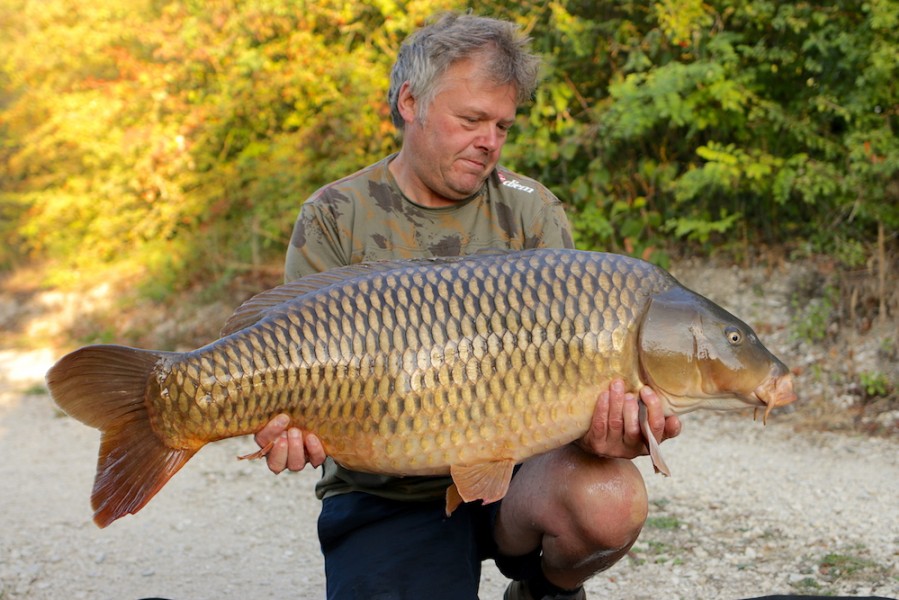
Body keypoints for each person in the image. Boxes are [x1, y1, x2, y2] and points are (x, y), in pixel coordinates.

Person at [253, 12, 681, 600]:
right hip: (388, 489)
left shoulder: (532, 211)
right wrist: (292, 427)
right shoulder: (336, 215)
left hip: (520, 477)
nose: (489, 142)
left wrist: (604, 432)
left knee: (609, 503)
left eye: (503, 126)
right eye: (472, 119)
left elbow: (573, 380)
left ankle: (543, 590)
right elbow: (296, 358)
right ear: (411, 101)